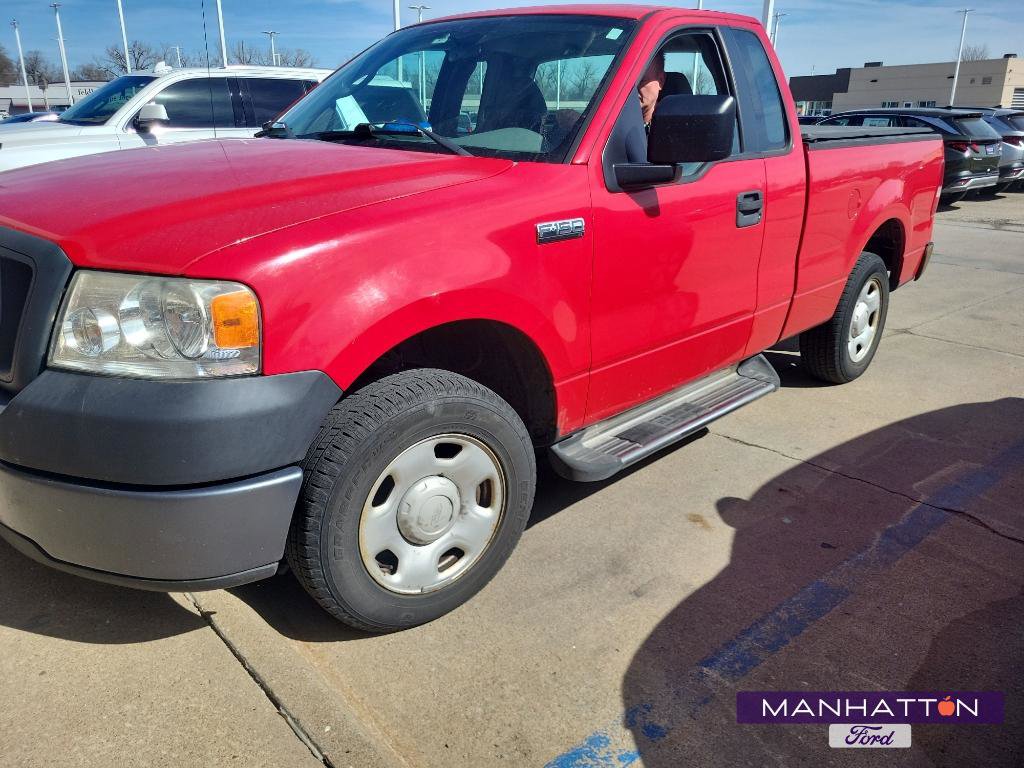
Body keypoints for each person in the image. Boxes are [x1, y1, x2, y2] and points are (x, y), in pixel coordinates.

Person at [638, 52, 666, 127]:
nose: (633, 88)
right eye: (628, 82)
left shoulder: (669, 128)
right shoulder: (611, 121)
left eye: (641, 81)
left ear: (661, 81)